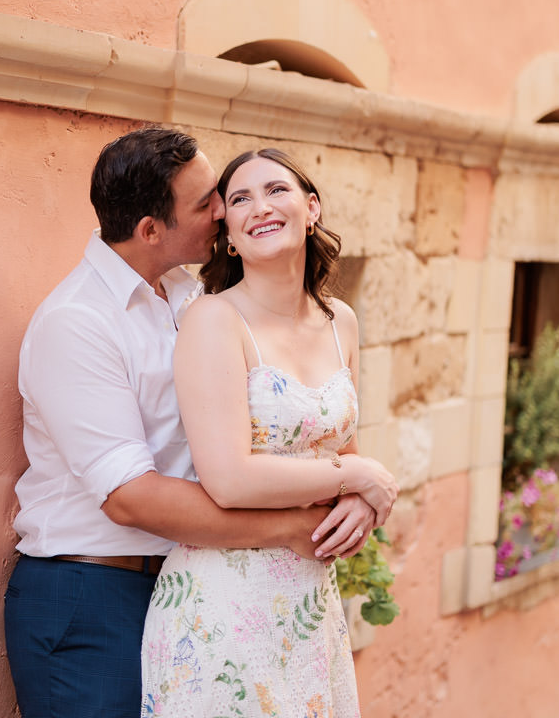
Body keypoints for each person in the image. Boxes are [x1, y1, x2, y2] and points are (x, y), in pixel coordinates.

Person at [4, 129, 382, 718]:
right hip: (92, 591)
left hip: (192, 576)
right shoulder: (76, 323)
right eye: (211, 201)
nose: (224, 210)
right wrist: (295, 525)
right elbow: (131, 498)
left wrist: (351, 495)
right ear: (151, 229)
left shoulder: (188, 294)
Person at [140, 148, 398, 717]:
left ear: (311, 208)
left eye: (275, 190)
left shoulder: (342, 322)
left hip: (309, 603)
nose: (260, 207)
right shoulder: (214, 319)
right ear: (228, 232)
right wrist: (356, 476)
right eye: (239, 199)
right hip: (223, 604)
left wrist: (357, 499)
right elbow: (228, 479)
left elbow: (340, 447)